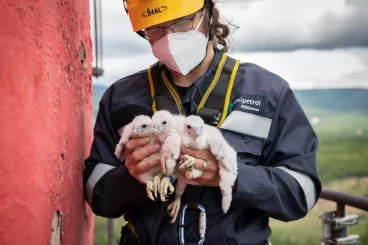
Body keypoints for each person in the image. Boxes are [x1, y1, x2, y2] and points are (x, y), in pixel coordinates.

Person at [83, 0, 322, 244]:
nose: (169, 38)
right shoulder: (121, 98)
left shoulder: (268, 92)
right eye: (155, 29)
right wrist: (132, 176)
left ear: (207, 12)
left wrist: (231, 176)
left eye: (181, 23)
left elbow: (302, 192)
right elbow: (97, 193)